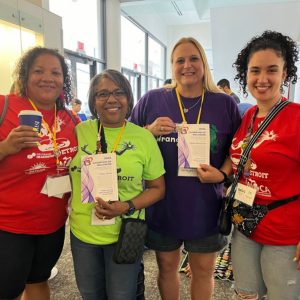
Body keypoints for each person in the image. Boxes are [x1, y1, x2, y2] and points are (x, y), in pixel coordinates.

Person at [129, 37, 241, 300]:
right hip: (163, 202)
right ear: (172, 66)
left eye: (194, 59)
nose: (187, 65)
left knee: (203, 271)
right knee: (167, 268)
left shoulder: (224, 104)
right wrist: (149, 131)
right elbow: (128, 142)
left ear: (204, 64)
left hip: (205, 204)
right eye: (180, 60)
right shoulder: (153, 100)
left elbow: (237, 151)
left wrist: (223, 174)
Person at [200, 30, 300, 300]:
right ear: (246, 74)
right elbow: (238, 158)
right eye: (255, 70)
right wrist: (220, 174)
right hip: (245, 225)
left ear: (284, 73)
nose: (262, 79)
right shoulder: (249, 116)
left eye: (272, 70)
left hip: (285, 232)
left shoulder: (296, 118)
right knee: (246, 294)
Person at [69, 69, 165, 300]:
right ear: (93, 101)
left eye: (118, 92)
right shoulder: (78, 131)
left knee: (122, 295)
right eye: (102, 94)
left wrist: (126, 206)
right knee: (90, 294)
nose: (111, 99)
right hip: (83, 233)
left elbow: (158, 188)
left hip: (125, 232)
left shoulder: (143, 138)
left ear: (129, 98)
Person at [0, 47, 80, 300]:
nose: (48, 78)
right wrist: (4, 148)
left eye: (55, 72)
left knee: (38, 280)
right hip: (8, 225)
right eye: (39, 71)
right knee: (8, 290)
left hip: (53, 223)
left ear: (63, 81)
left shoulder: (70, 118)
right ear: (25, 76)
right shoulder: (4, 106)